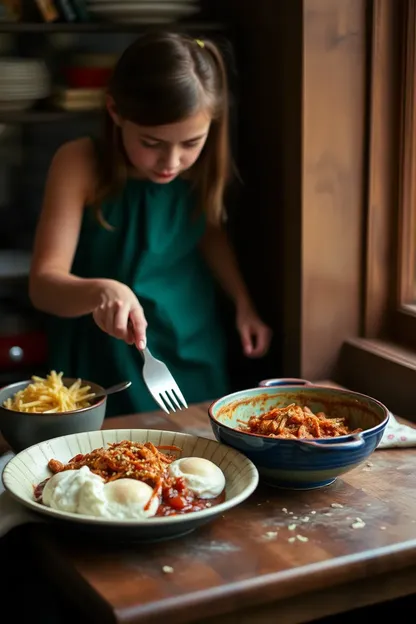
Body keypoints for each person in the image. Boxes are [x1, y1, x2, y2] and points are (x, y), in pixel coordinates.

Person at [29, 31, 272, 417]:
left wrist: (242, 302)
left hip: (190, 336)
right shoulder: (79, 162)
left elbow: (207, 233)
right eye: (152, 142)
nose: (171, 162)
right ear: (115, 111)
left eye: (190, 143)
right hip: (101, 349)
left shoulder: (204, 162)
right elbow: (43, 285)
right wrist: (102, 290)